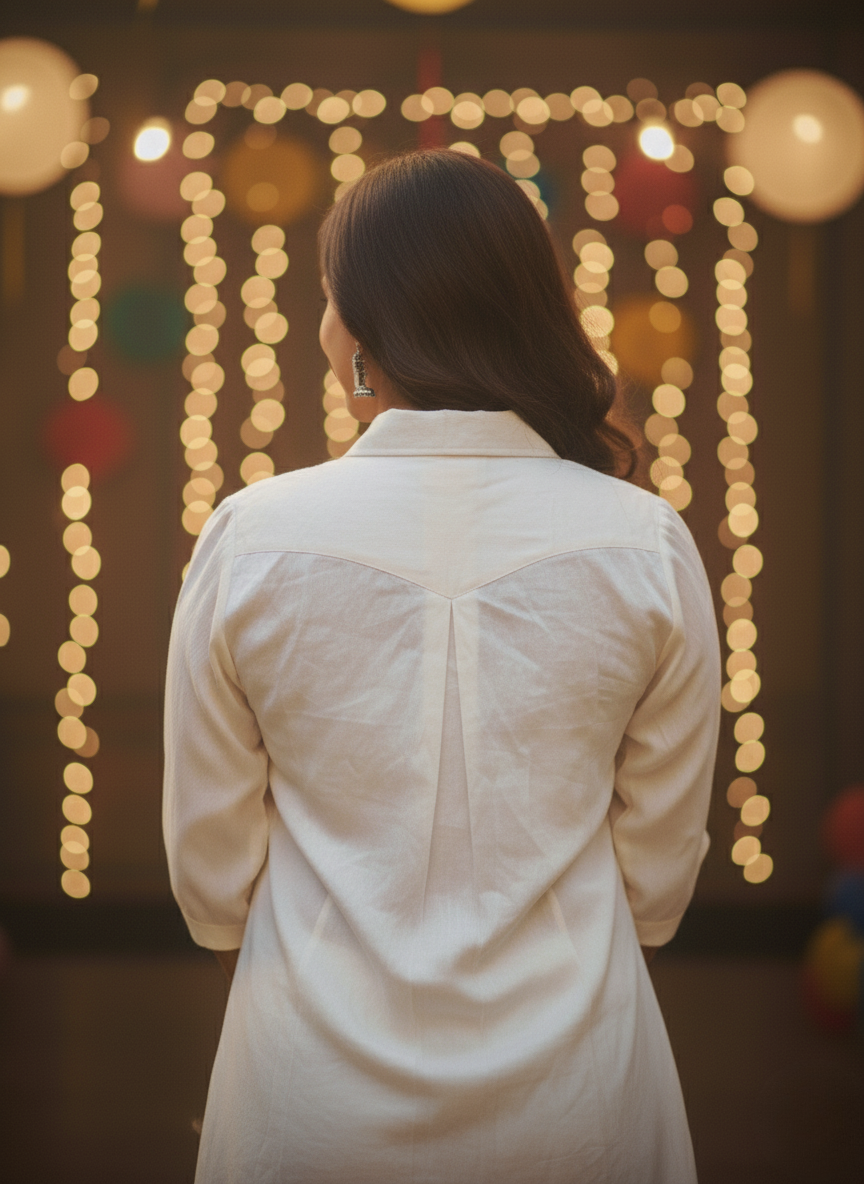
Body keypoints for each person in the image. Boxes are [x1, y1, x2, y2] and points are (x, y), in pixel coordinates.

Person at [163, 148, 720, 1184]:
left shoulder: (251, 536)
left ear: (362, 331)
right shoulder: (644, 539)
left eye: (329, 298)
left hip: (307, 1090)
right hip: (580, 1094)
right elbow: (655, 885)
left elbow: (209, 879)